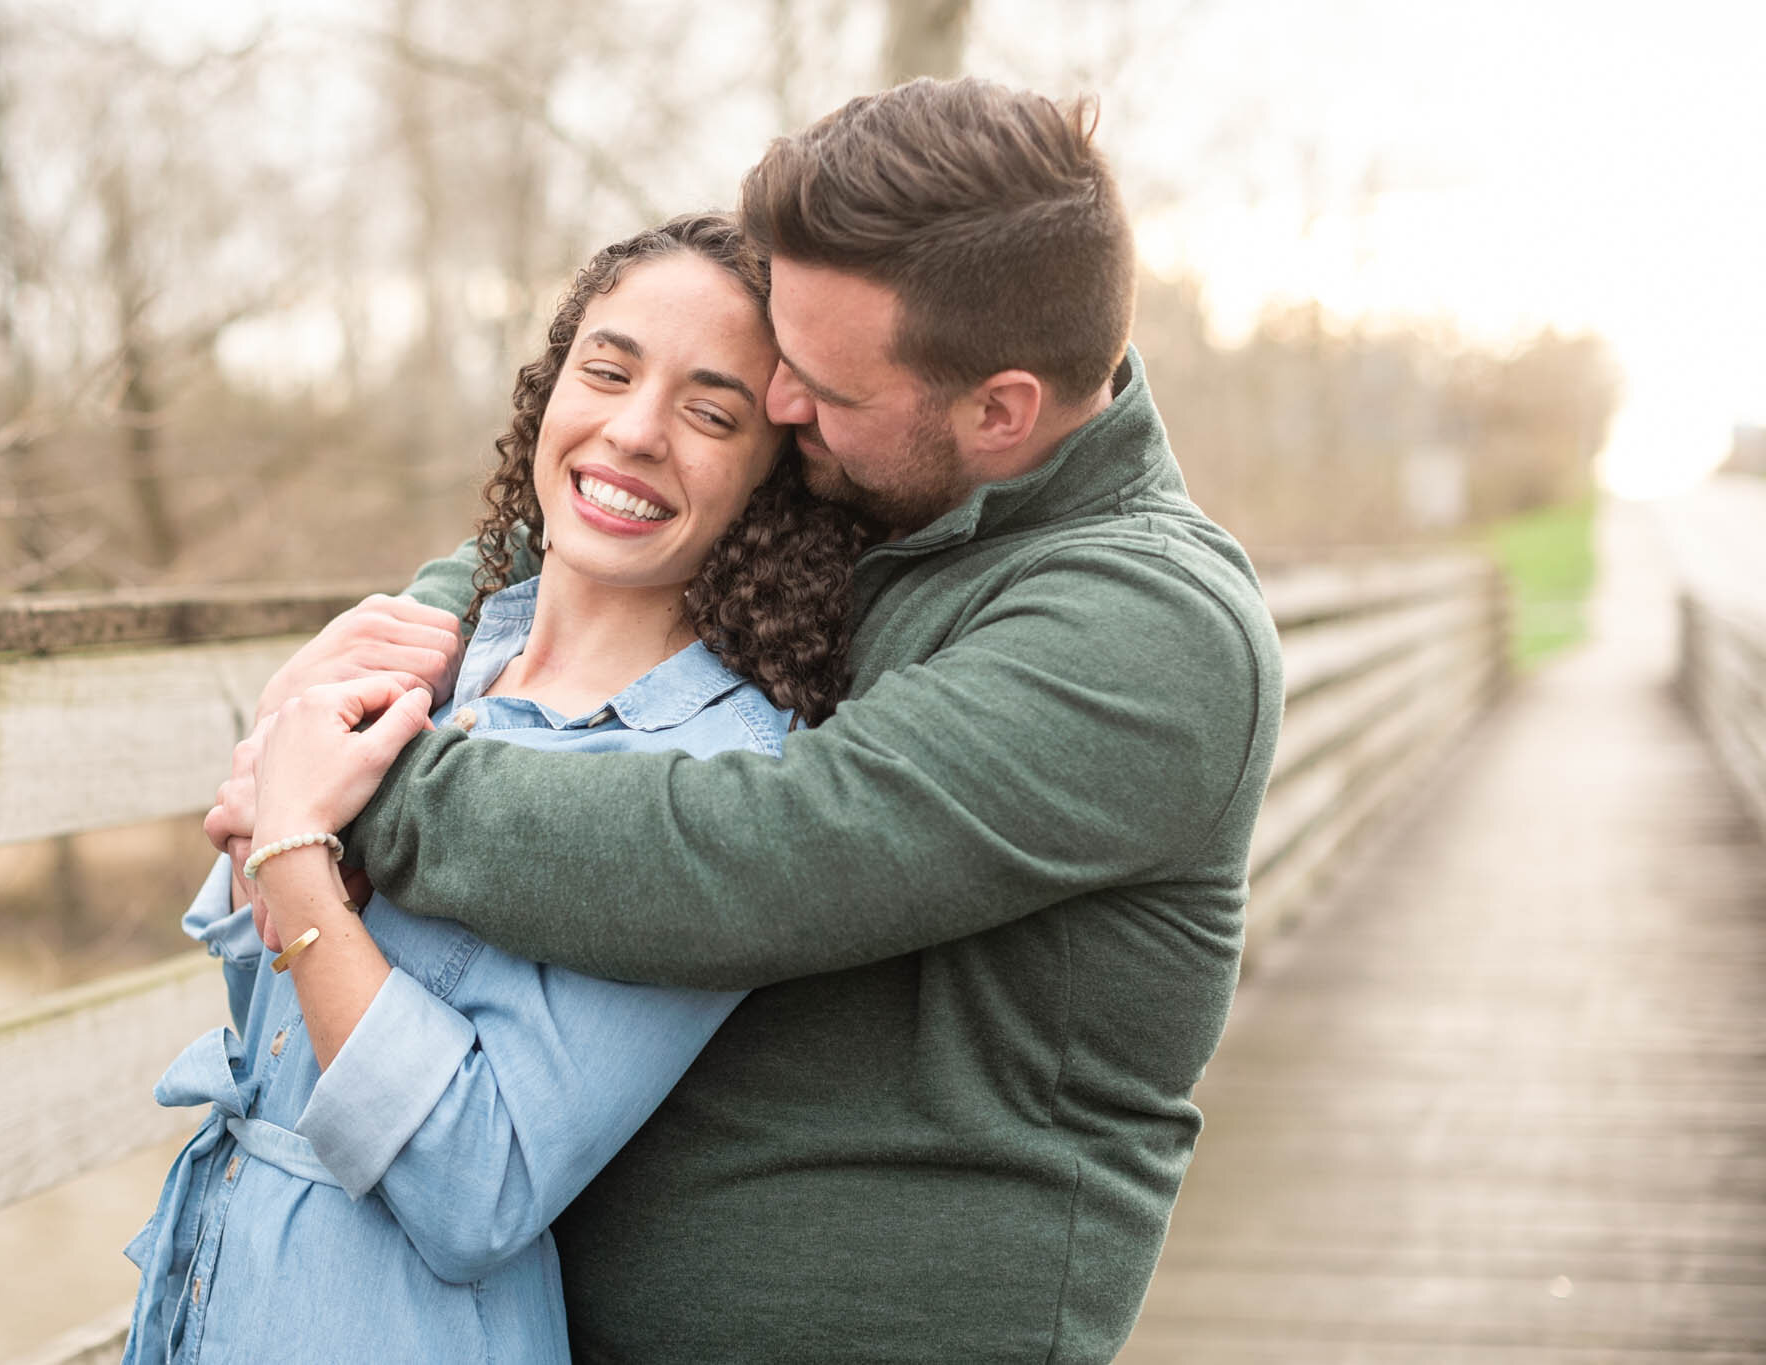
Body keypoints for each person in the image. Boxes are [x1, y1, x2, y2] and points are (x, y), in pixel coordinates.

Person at [229, 77, 1288, 1363]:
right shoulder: (892, 486)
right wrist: (412, 627)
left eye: (824, 387)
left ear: (999, 410)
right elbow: (605, 518)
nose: (786, 409)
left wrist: (354, 788)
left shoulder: (1144, 628)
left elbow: (765, 853)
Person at [120, 212, 863, 1365]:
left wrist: (292, 847)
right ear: (549, 382)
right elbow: (275, 1036)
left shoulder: (719, 778)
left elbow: (478, 1184)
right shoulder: (441, 659)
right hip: (214, 1292)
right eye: (605, 370)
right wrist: (279, 747)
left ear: (769, 481)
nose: (631, 431)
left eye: (708, 413)